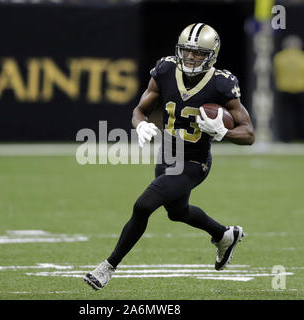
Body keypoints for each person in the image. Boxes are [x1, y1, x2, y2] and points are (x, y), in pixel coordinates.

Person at [84, 23, 255, 290]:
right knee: (177, 212)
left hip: (194, 162)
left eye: (198, 53)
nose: (190, 58)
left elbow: (249, 134)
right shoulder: (165, 69)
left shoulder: (222, 83)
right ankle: (224, 235)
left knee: (143, 206)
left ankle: (108, 266)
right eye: (187, 51)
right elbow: (139, 109)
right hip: (167, 153)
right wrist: (140, 124)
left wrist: (223, 132)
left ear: (212, 55)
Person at [273, 35, 304, 142]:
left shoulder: (279, 57)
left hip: (284, 89)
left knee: (286, 116)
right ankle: (300, 137)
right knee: (301, 116)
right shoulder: (302, 57)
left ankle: (286, 138)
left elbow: (276, 73)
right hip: (300, 89)